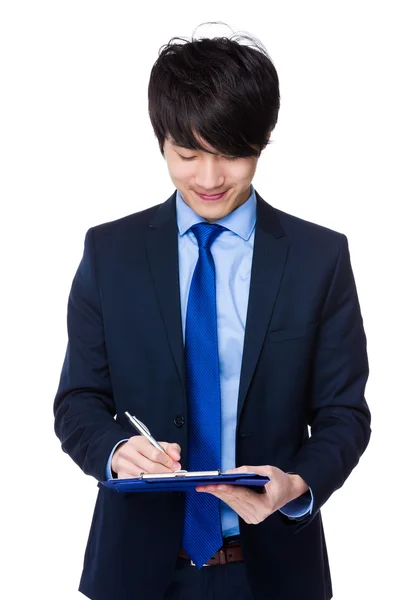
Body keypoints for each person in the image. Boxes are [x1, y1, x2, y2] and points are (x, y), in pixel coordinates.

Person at [53, 26, 371, 600]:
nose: (208, 178)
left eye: (231, 154)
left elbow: (344, 413)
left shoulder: (319, 257)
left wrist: (296, 484)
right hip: (135, 574)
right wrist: (115, 451)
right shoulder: (110, 252)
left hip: (274, 572)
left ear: (263, 140)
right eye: (187, 153)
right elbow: (78, 402)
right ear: (161, 142)